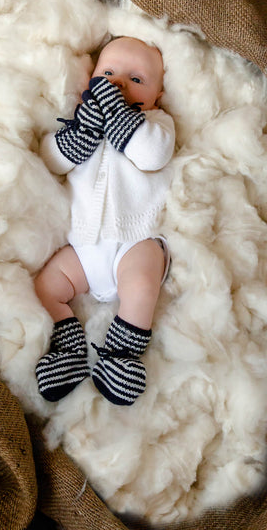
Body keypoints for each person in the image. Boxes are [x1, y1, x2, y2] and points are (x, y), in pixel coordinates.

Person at [35, 36, 175, 405]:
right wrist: (81, 134)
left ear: (157, 96)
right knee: (46, 286)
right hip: (82, 246)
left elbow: (152, 156)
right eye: (108, 74)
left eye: (137, 79)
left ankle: (121, 355)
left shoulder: (156, 125)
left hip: (136, 240)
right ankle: (67, 349)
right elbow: (49, 160)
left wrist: (122, 117)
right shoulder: (79, 124)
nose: (118, 85)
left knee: (143, 284)